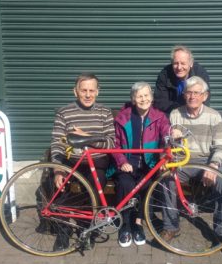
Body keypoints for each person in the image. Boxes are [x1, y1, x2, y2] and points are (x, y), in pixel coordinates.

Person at [161, 76, 222, 259]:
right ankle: (171, 227)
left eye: (197, 93)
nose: (192, 96)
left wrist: (213, 166)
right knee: (166, 179)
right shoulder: (175, 114)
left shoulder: (214, 116)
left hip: (207, 161)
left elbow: (221, 147)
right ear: (184, 95)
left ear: (204, 96)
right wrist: (172, 140)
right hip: (183, 161)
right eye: (189, 92)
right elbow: (168, 145)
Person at [49, 73, 115, 251]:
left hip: (98, 162)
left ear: (98, 92)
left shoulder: (105, 112)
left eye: (92, 90)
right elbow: (57, 143)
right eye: (83, 90)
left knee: (96, 182)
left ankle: (87, 229)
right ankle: (63, 231)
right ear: (75, 91)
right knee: (59, 188)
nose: (88, 95)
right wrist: (58, 171)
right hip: (71, 162)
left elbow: (111, 143)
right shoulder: (64, 113)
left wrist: (87, 138)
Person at [112, 82, 170, 248]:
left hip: (149, 164)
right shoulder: (123, 118)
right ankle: (125, 225)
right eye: (139, 96)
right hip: (127, 163)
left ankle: (138, 223)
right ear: (133, 99)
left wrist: (165, 155)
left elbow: (166, 139)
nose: (143, 99)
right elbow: (115, 145)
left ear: (151, 98)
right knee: (125, 184)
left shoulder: (160, 117)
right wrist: (122, 162)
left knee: (146, 184)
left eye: (146, 95)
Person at [153, 45, 210, 115]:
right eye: (176, 63)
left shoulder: (200, 74)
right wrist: (180, 111)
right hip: (171, 114)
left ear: (191, 64)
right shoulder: (165, 74)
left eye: (183, 63)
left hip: (195, 114)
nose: (179, 67)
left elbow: (204, 100)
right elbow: (160, 102)